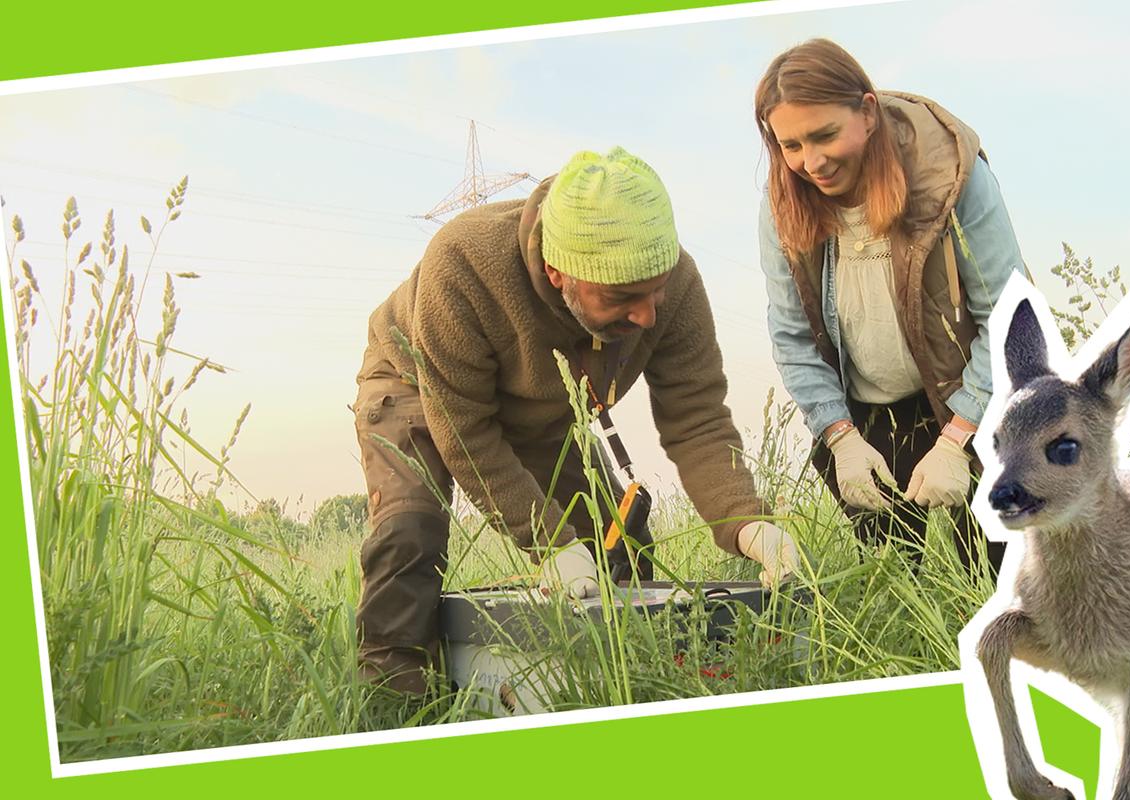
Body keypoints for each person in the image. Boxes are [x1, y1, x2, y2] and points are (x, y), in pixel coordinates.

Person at [353, 147, 799, 694]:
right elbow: (466, 432)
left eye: (656, 291)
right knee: (409, 534)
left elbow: (697, 419)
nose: (647, 316)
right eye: (623, 297)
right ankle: (397, 699)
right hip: (416, 381)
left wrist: (747, 522)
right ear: (557, 272)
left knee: (619, 549)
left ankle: (625, 689)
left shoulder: (676, 281)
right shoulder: (465, 261)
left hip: (538, 411)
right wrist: (549, 543)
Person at [754, 39, 1027, 576]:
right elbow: (792, 336)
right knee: (892, 574)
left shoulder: (952, 175)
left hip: (973, 394)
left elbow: (1009, 316)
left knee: (1000, 571)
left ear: (867, 112)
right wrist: (840, 437)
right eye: (791, 145)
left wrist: (957, 438)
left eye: (825, 135)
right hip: (870, 417)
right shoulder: (783, 204)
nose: (812, 162)